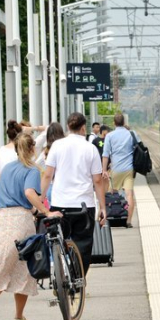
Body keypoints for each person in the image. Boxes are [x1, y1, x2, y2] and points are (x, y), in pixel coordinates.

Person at [0, 133, 61, 320]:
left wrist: (36, 209)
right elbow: (28, 193)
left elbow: (9, 193)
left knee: (3, 262)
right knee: (25, 268)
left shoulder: (7, 169)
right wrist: (46, 211)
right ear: (31, 149)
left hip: (2, 219)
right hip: (21, 220)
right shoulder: (32, 170)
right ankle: (17, 317)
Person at [41, 112, 106, 274]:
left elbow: (48, 175)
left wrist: (40, 200)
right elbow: (97, 180)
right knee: (83, 244)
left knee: (60, 241)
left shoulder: (56, 146)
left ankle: (62, 274)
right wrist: (103, 207)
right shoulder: (90, 149)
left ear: (68, 127)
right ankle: (77, 279)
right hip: (84, 206)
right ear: (84, 127)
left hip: (59, 205)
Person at [102, 113, 137, 228]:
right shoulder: (131, 134)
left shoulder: (110, 136)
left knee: (111, 194)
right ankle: (128, 221)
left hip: (115, 169)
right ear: (124, 122)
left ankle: (111, 216)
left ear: (114, 123)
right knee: (129, 195)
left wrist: (104, 170)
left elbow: (105, 155)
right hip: (129, 168)